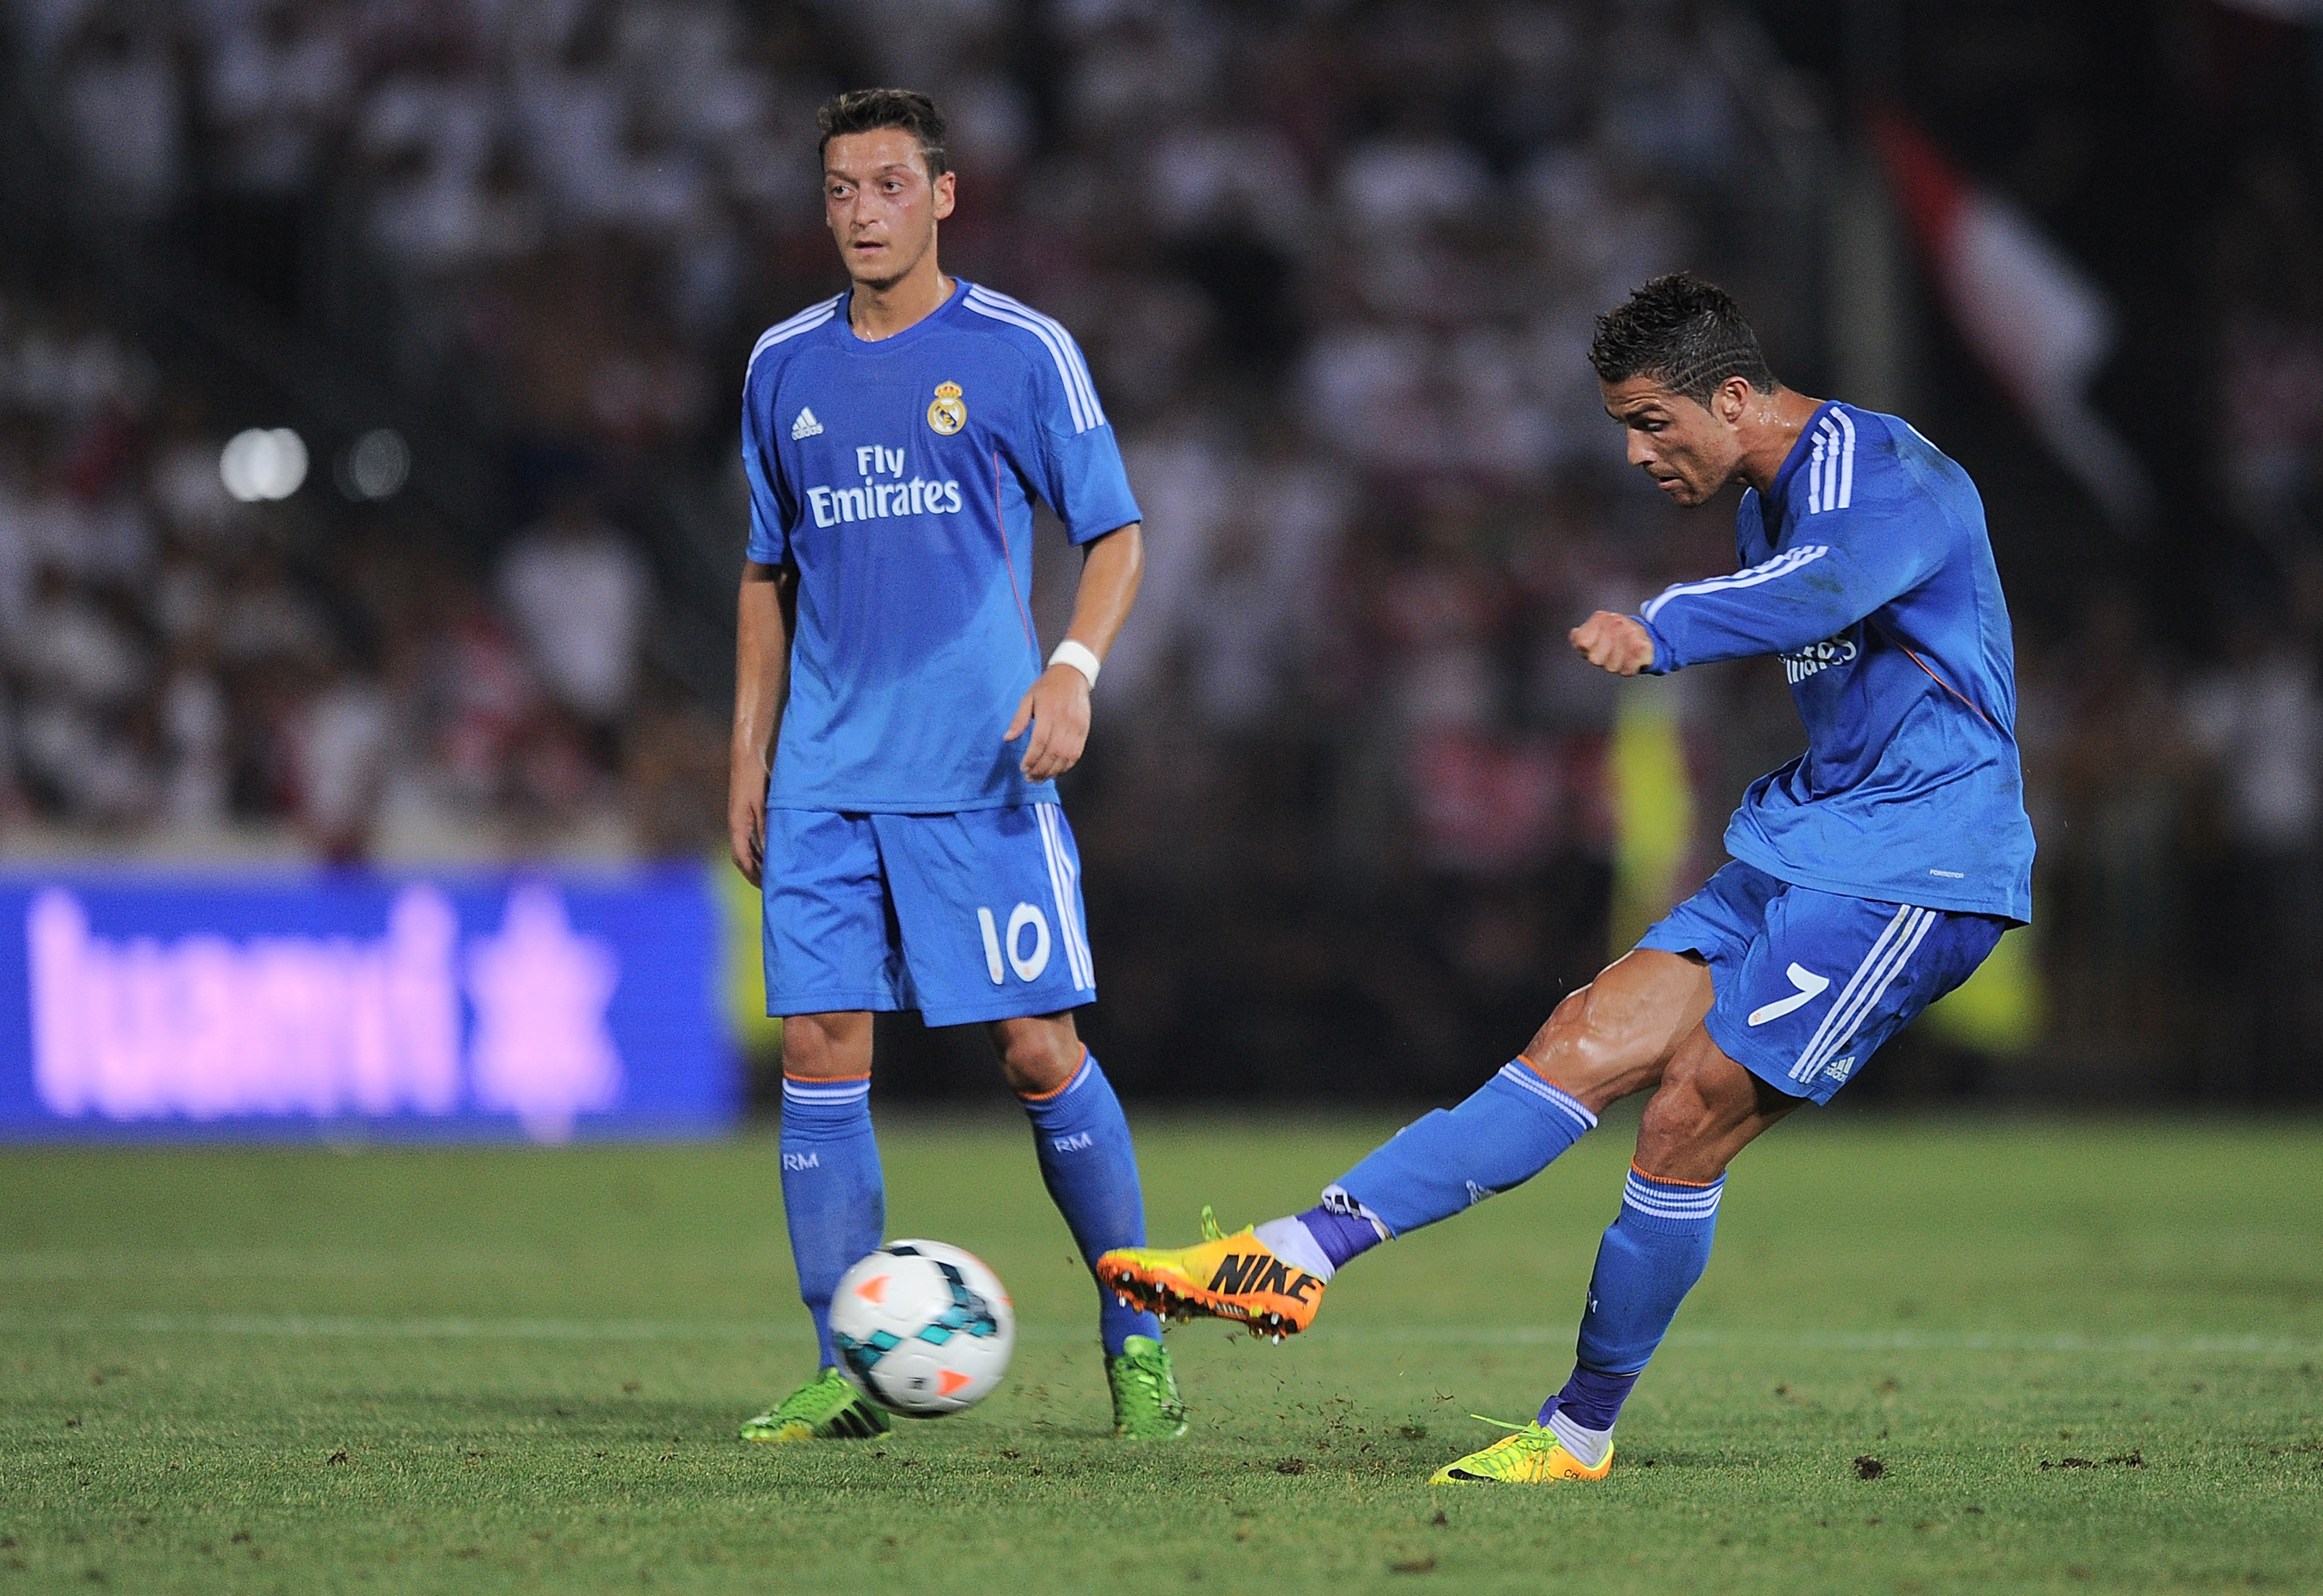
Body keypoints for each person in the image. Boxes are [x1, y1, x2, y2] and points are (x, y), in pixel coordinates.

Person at [1098, 273, 2036, 1483]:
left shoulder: (1880, 472)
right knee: (1583, 1036)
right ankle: (1295, 1251)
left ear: (1737, 395)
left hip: (1921, 859)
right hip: (1812, 837)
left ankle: (1578, 1431)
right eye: (1622, 428)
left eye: (1653, 422)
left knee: (1687, 1113)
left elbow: (1827, 589)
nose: (1638, 454)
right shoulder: (1768, 498)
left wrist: (1668, 626)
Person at [729, 88, 1180, 1443]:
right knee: (818, 1046)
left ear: (943, 194)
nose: (860, 212)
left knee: (1040, 1051)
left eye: (885, 184)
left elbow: (1116, 537)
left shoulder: (1019, 351)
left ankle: (1136, 1330)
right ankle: (842, 1368)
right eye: (838, 189)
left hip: (979, 771)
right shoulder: (780, 366)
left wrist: (1071, 671)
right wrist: (747, 755)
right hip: (822, 774)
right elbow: (763, 573)